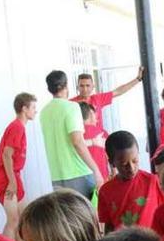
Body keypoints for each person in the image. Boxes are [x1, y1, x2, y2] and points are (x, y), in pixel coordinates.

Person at [40, 70, 104, 198]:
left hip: (56, 175)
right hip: (78, 173)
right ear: (66, 86)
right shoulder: (72, 107)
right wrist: (96, 170)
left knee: (68, 216)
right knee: (87, 215)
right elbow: (77, 141)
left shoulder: (44, 112)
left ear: (49, 88)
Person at [98, 130, 164, 232]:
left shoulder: (152, 181)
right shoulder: (105, 191)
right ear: (112, 163)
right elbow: (109, 226)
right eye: (124, 164)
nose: (131, 167)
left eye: (135, 161)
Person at [0, 92, 37, 240]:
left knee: (23, 218)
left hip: (13, 175)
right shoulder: (17, 127)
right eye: (33, 107)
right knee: (13, 220)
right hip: (6, 177)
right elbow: (6, 154)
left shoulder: (19, 127)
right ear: (24, 109)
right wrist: (11, 182)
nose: (35, 111)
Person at [70, 68, 143, 133]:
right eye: (82, 86)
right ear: (77, 87)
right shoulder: (70, 103)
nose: (85, 89)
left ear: (93, 87)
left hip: (99, 139)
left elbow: (118, 91)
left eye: (88, 85)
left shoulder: (97, 98)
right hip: (81, 141)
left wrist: (137, 79)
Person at [80, 102, 110, 180]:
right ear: (91, 114)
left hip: (82, 178)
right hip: (102, 178)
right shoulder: (102, 133)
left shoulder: (76, 135)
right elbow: (110, 155)